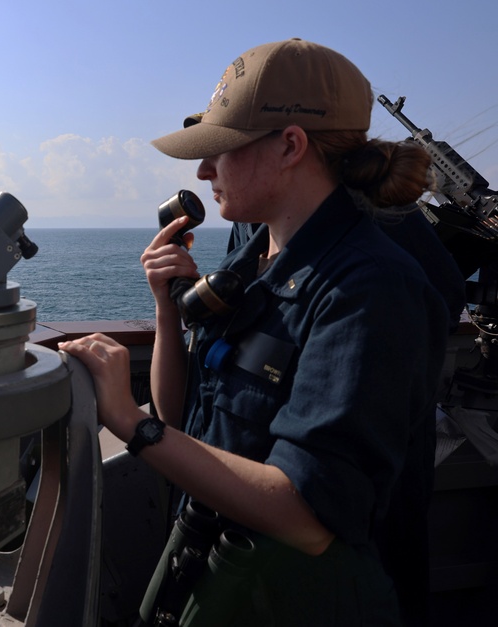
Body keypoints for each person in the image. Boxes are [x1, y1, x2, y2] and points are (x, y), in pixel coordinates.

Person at [59, 38, 451, 626]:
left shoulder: (369, 289)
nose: (203, 170)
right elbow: (184, 418)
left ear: (291, 145)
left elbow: (306, 517)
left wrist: (129, 423)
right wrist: (167, 310)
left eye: (222, 149)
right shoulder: (254, 255)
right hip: (216, 576)